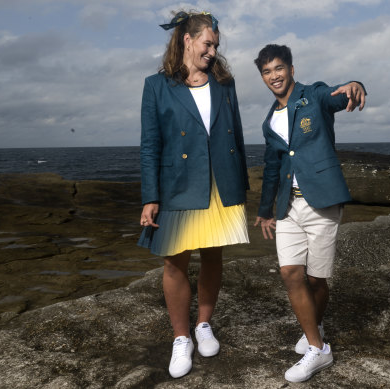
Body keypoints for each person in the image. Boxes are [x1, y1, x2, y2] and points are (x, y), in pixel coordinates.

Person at [137, 11, 250, 379]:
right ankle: (181, 337)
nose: (213, 50)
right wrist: (150, 196)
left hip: (219, 182)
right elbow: (150, 145)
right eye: (208, 43)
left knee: (213, 254)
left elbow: (236, 134)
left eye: (216, 45)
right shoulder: (156, 86)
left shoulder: (223, 82)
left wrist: (241, 186)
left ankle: (203, 324)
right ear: (187, 40)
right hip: (178, 184)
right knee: (175, 261)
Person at [253, 44, 366, 382]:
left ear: (290, 68)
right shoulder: (268, 121)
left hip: (322, 201)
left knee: (317, 279)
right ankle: (318, 348)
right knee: (290, 274)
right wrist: (265, 211)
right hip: (288, 205)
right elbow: (272, 168)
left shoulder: (313, 95)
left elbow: (339, 97)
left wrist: (355, 84)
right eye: (266, 72)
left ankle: (313, 328)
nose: (274, 76)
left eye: (278, 68)